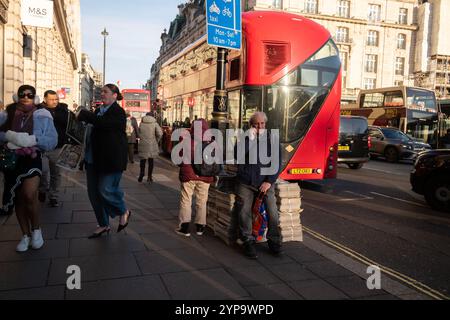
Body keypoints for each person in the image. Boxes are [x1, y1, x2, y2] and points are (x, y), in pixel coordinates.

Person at [0, 85, 58, 252]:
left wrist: (32, 140)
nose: (26, 97)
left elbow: (52, 140)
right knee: (18, 198)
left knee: (29, 194)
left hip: (32, 158)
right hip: (11, 160)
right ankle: (25, 235)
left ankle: (36, 230)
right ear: (17, 96)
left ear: (35, 97)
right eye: (22, 94)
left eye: (30, 95)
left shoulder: (43, 114)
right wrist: (11, 137)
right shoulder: (8, 114)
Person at [76, 84, 131, 239]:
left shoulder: (118, 113)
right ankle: (103, 224)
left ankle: (123, 211)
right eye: (101, 92)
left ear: (115, 95)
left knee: (105, 190)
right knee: (93, 194)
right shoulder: (98, 111)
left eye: (105, 92)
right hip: (92, 158)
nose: (102, 94)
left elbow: (104, 124)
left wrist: (85, 114)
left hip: (110, 160)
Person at [234, 111, 282, 259]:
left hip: (265, 182)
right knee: (244, 211)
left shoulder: (272, 139)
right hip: (246, 182)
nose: (260, 126)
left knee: (272, 211)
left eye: (262, 124)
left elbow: (277, 162)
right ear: (251, 125)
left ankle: (274, 240)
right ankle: (248, 241)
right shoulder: (245, 138)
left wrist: (269, 181)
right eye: (256, 124)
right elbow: (237, 155)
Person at [175, 119, 214, 237]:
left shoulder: (185, 140)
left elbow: (178, 158)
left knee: (186, 200)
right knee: (202, 201)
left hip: (189, 175)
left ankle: (184, 227)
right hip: (205, 176)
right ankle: (200, 227)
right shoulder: (211, 142)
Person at [38, 90, 69, 207]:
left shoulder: (63, 110)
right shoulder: (39, 110)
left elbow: (68, 124)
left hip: (57, 147)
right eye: (52, 99)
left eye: (56, 99)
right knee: (43, 171)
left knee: (56, 173)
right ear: (45, 99)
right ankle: (42, 189)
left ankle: (53, 196)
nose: (55, 101)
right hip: (42, 147)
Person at [137, 112, 162, 183]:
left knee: (143, 160)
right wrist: (156, 140)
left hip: (143, 144)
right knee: (151, 161)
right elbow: (160, 133)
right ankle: (149, 177)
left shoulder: (141, 123)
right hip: (152, 145)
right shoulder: (155, 124)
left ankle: (141, 173)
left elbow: (139, 133)